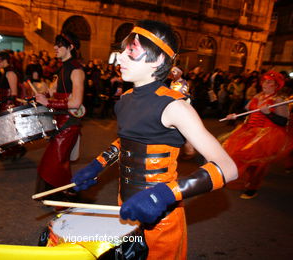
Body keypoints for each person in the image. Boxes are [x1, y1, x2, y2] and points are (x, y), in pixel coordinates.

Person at [71, 20, 238, 259]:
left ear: (159, 59)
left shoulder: (174, 106)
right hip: (125, 208)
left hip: (162, 219)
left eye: (131, 52)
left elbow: (228, 168)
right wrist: (96, 165)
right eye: (121, 52)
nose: (120, 59)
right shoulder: (125, 99)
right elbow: (126, 143)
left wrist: (162, 195)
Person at [222, 71, 289, 199]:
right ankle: (240, 180)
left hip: (267, 135)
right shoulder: (258, 96)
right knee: (236, 153)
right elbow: (246, 111)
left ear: (276, 85)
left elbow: (283, 121)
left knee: (259, 164)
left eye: (269, 82)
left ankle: (253, 188)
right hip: (249, 130)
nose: (265, 83)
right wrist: (234, 115)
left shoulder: (279, 100)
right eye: (264, 81)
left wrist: (268, 113)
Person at [35, 32, 85, 198]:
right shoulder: (63, 68)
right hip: (59, 119)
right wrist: (45, 93)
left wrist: (47, 102)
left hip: (69, 122)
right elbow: (53, 89)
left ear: (70, 47)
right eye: (55, 44)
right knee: (58, 161)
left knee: (55, 161)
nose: (55, 48)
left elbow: (76, 102)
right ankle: (66, 193)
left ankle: (63, 196)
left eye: (59, 45)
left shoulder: (77, 70)